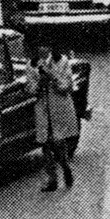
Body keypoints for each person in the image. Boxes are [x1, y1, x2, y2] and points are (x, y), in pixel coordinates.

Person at [35, 45, 80, 191]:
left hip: (59, 108)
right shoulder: (37, 65)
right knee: (45, 145)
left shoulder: (63, 63)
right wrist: (39, 81)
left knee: (58, 143)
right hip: (44, 108)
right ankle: (52, 180)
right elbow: (32, 88)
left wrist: (50, 76)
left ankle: (66, 168)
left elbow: (66, 86)